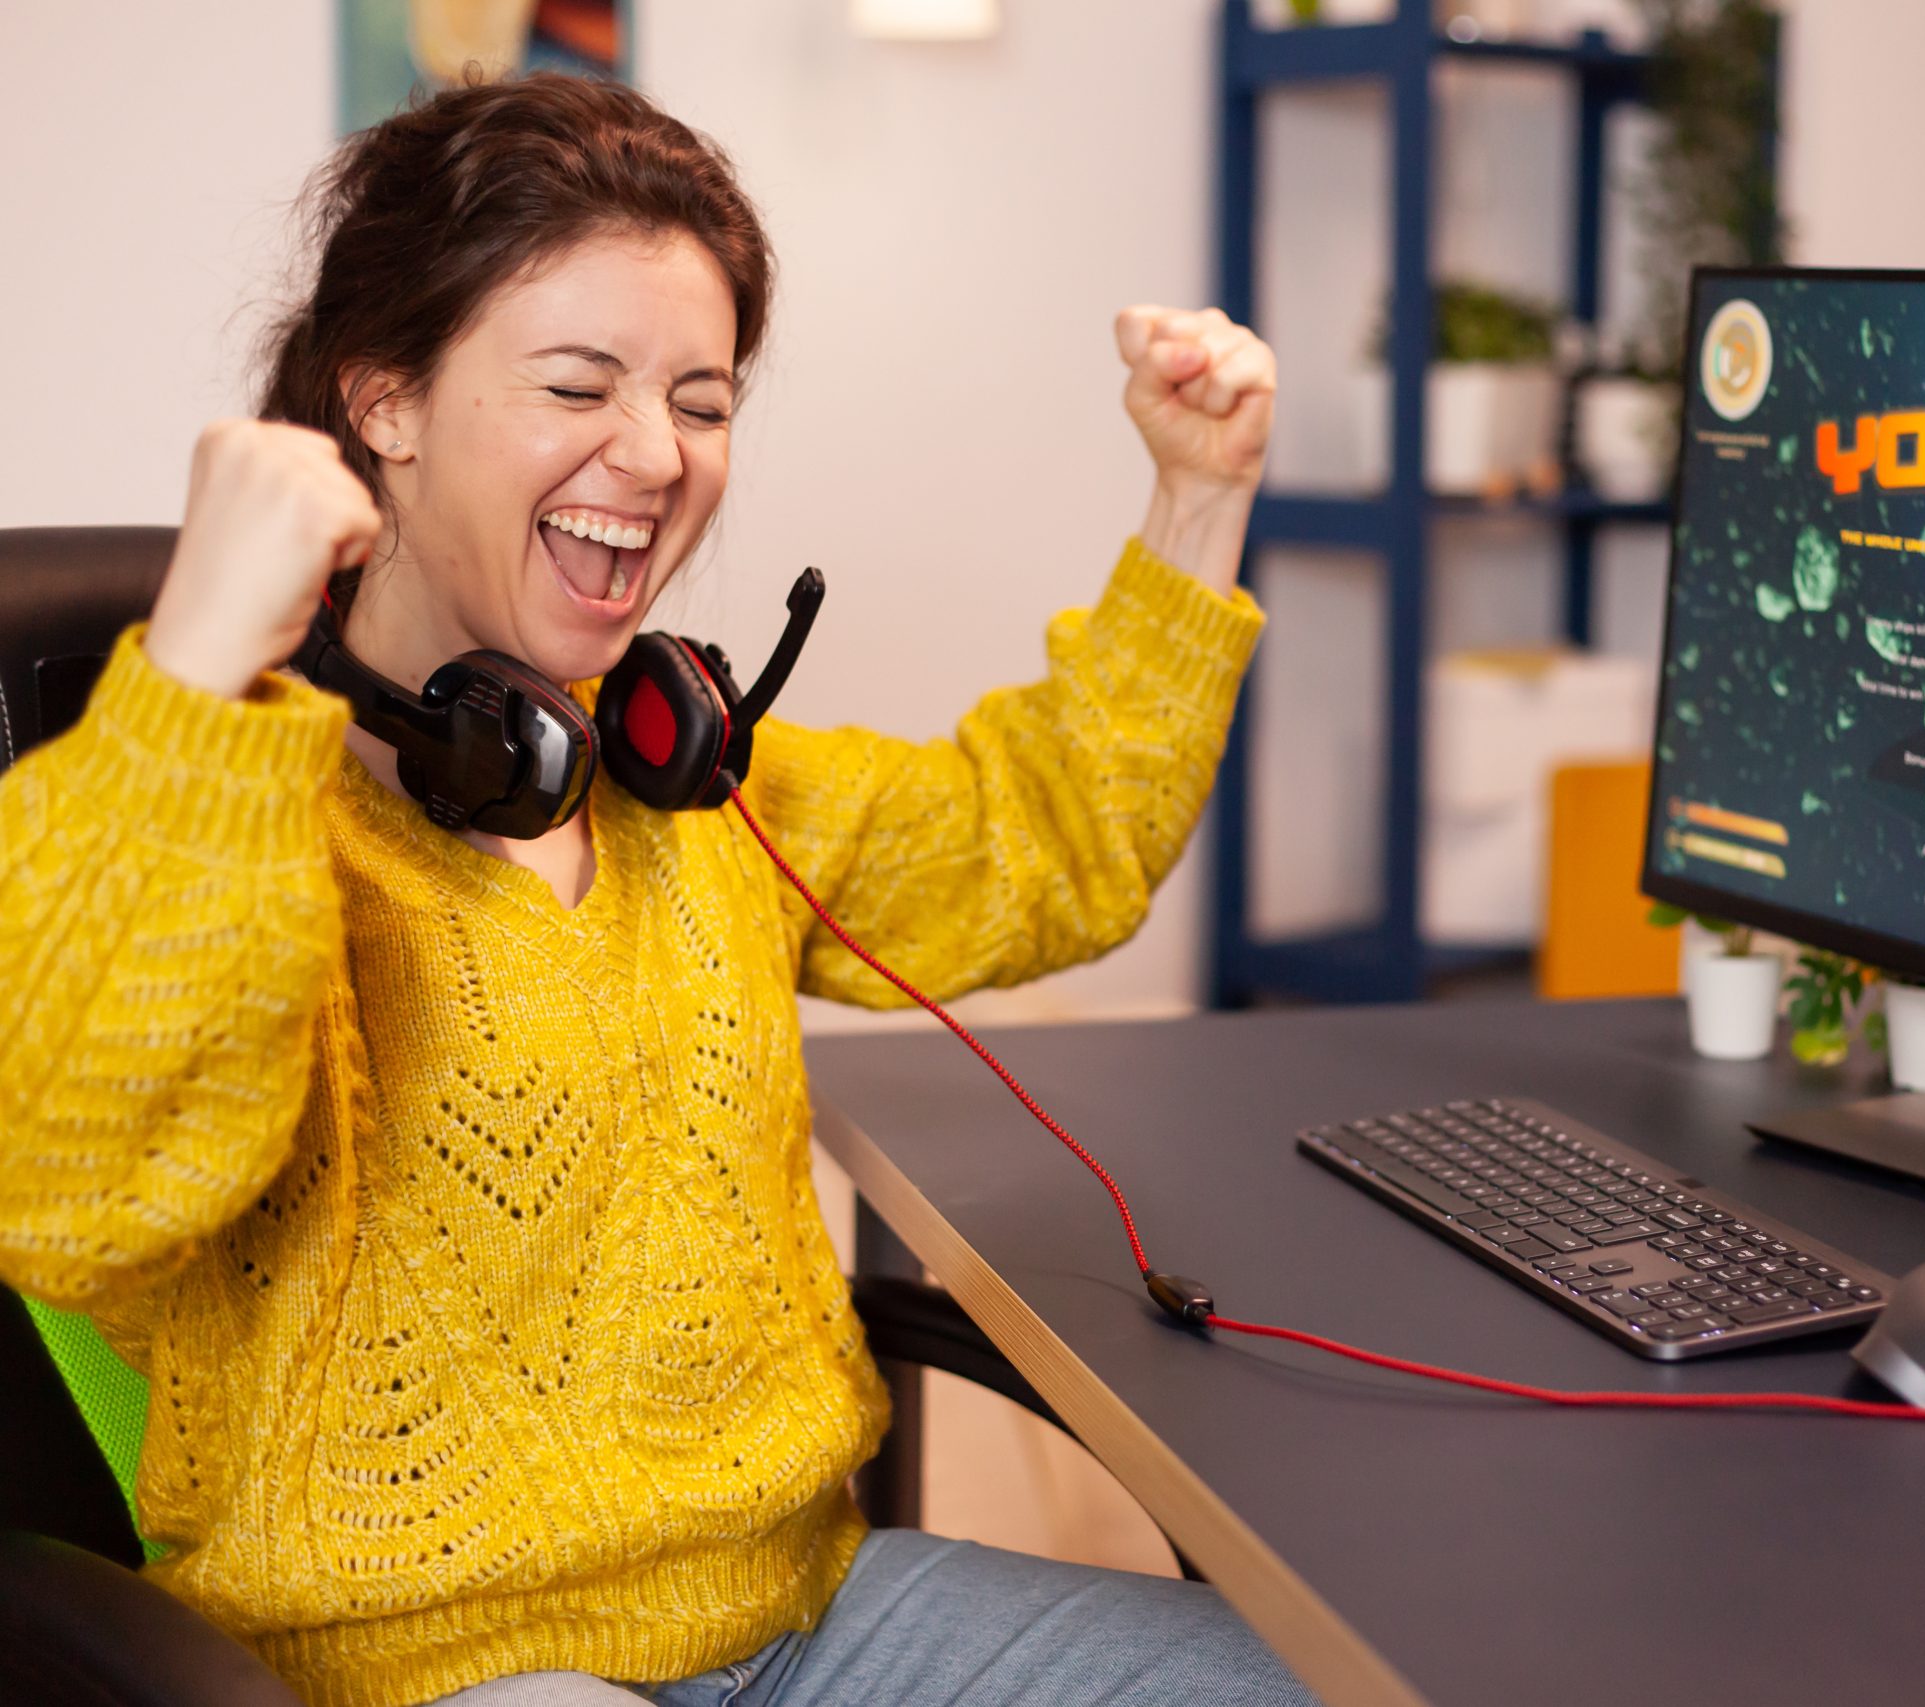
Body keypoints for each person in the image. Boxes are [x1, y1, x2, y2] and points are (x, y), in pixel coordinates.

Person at [0, 71, 1313, 1707]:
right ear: (385, 404)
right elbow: (68, 1182)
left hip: (808, 1619)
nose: (654, 453)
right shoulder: (214, 815)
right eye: (578, 384)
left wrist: (1200, 494)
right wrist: (198, 673)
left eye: (702, 400)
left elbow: (1038, 839)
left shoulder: (688, 785)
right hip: (430, 1670)